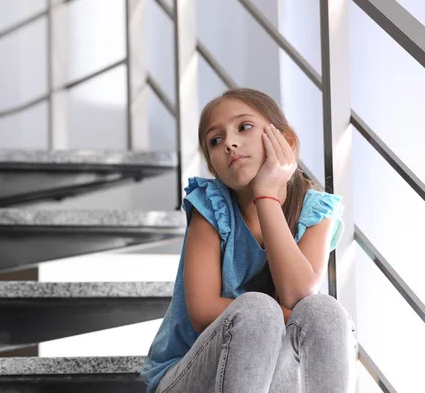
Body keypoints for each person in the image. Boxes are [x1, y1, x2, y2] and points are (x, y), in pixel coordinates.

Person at [140, 88, 358, 393]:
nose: (229, 142)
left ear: (287, 142)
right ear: (213, 167)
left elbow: (298, 293)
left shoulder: (317, 209)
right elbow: (202, 311)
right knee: (256, 308)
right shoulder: (211, 206)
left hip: (273, 380)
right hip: (188, 376)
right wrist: (278, 314)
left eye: (244, 127)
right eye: (216, 140)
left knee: (325, 311)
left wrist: (266, 194)